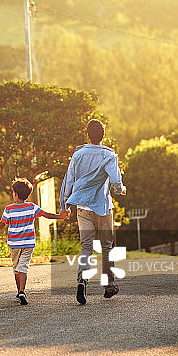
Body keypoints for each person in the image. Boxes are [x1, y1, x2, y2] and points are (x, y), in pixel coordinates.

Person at [60, 119, 126, 304]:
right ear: (103, 135)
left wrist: (65, 204)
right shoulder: (109, 155)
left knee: (86, 247)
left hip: (82, 207)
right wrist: (121, 189)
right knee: (106, 247)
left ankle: (82, 281)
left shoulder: (78, 154)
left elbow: (69, 180)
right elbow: (115, 179)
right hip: (103, 208)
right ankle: (109, 285)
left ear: (87, 134)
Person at [0, 177, 68, 305]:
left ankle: (19, 291)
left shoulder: (9, 209)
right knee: (23, 267)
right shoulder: (32, 207)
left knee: (16, 268)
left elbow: (1, 224)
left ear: (15, 194)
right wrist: (59, 216)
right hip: (28, 243)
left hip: (14, 244)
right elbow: (46, 214)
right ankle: (21, 291)